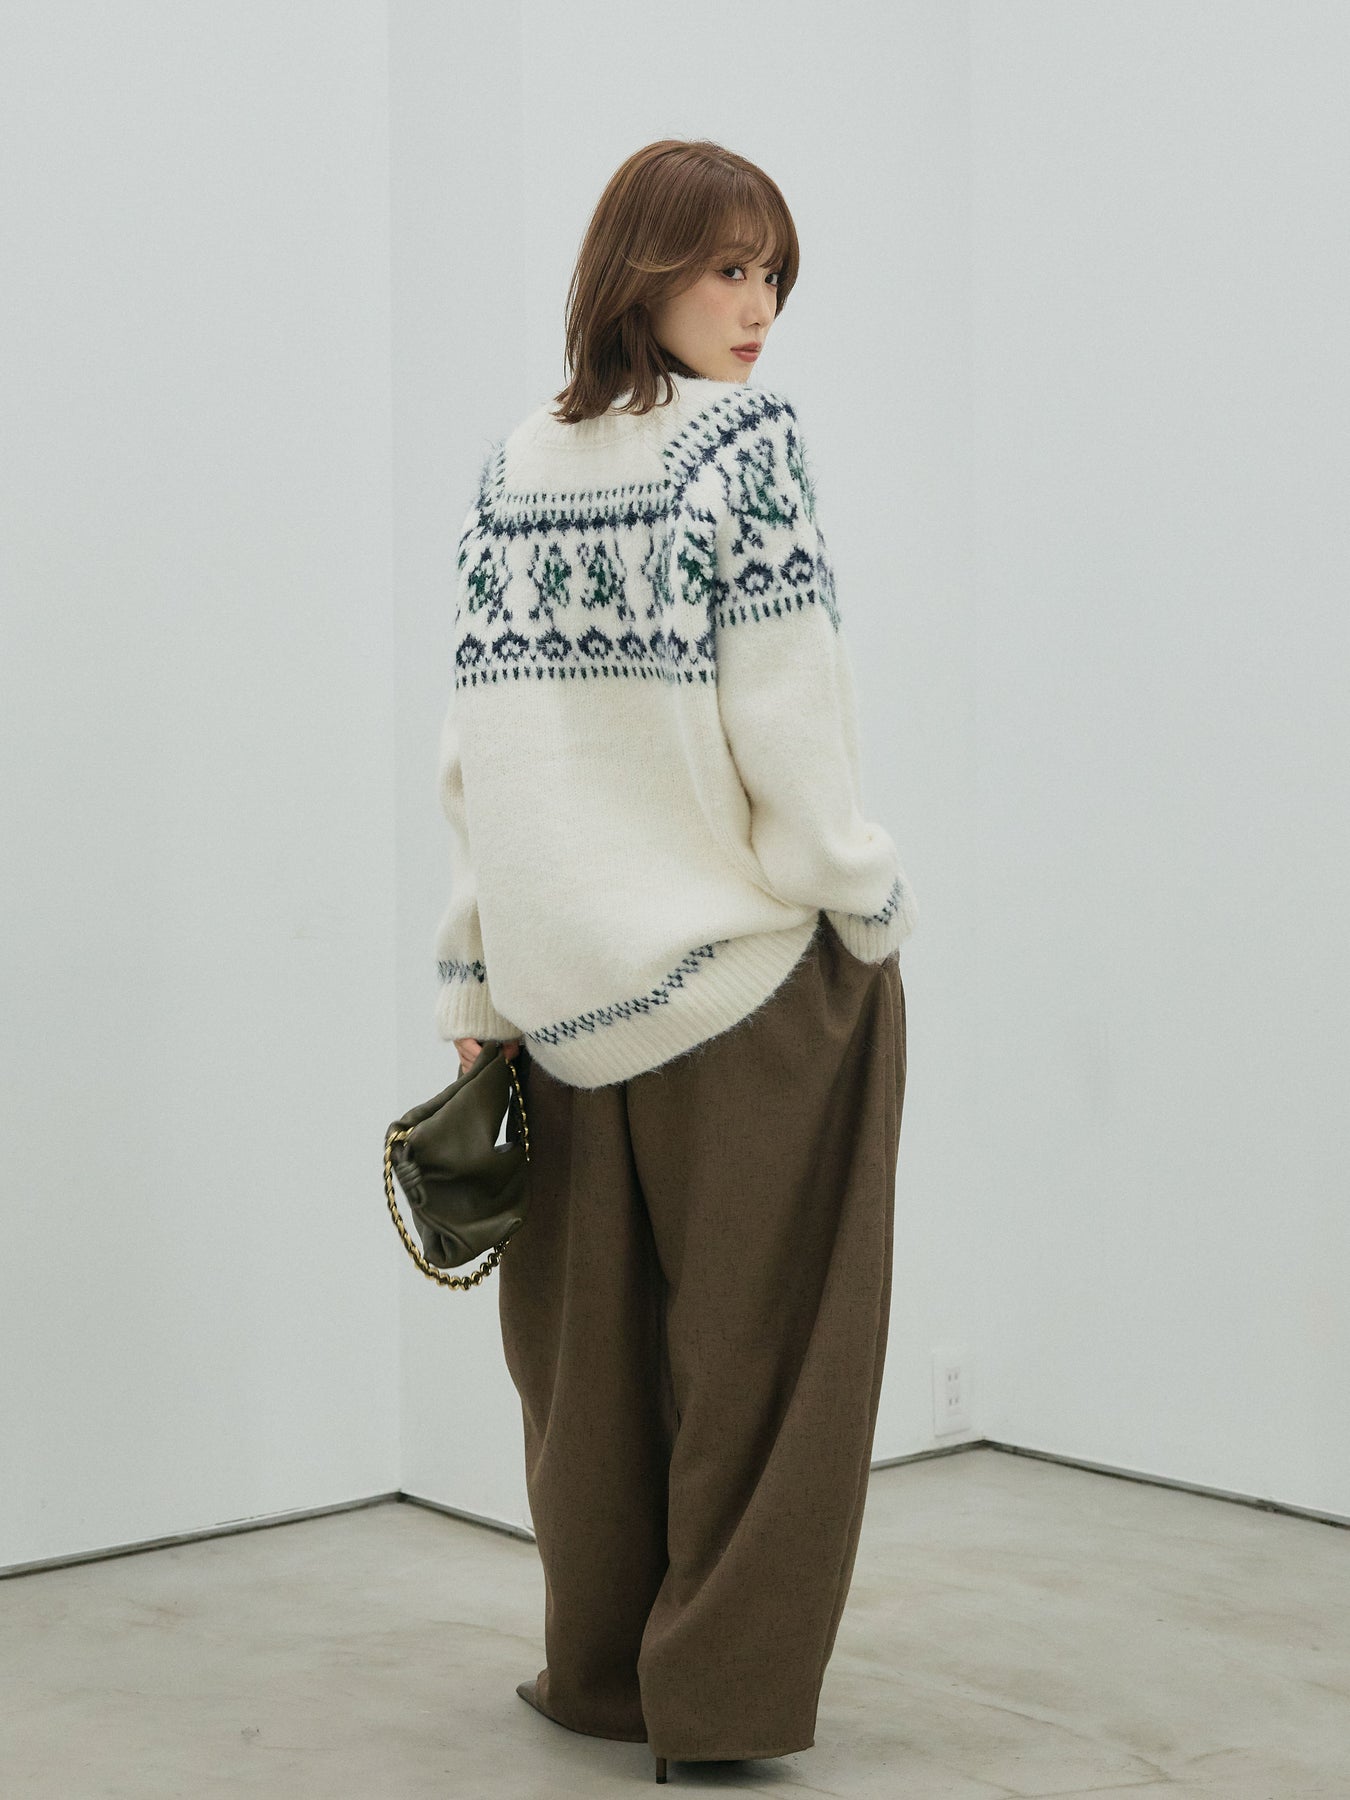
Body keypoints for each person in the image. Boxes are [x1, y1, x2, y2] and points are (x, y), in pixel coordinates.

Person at [434, 137, 918, 1783]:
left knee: (588, 1373)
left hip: (564, 1001)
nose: (756, 305)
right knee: (772, 1370)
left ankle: (598, 1676)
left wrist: (478, 988)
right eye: (725, 267)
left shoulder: (516, 465)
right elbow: (789, 708)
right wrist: (861, 899)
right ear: (638, 269)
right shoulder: (743, 445)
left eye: (772, 272)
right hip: (745, 987)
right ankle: (717, 1706)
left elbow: (475, 757)